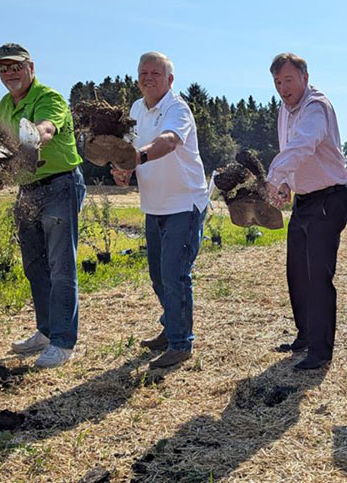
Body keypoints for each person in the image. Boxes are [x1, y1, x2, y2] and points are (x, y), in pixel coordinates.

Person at [0, 43, 85, 368]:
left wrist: (34, 137)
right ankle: (45, 329)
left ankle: (63, 342)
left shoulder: (49, 98)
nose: (9, 72)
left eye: (15, 66)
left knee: (61, 267)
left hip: (59, 185)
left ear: (31, 67)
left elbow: (47, 128)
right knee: (35, 266)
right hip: (28, 189)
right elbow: (0, 150)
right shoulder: (3, 105)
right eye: (3, 68)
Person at [111, 52, 209, 369]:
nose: (148, 77)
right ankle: (172, 327)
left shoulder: (177, 108)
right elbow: (127, 152)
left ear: (169, 79)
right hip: (154, 205)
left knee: (174, 274)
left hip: (184, 203)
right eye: (143, 72)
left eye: (155, 72)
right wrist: (123, 170)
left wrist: (137, 159)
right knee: (157, 274)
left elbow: (169, 141)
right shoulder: (136, 110)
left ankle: (181, 344)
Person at [267, 52, 347, 371]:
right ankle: (304, 335)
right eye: (277, 82)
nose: (283, 88)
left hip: (329, 199)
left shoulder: (317, 107)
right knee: (297, 273)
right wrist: (286, 182)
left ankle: (320, 351)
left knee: (318, 276)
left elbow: (304, 144)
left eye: (288, 80)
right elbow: (288, 149)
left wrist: (272, 177)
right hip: (304, 199)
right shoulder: (284, 111)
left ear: (304, 77)